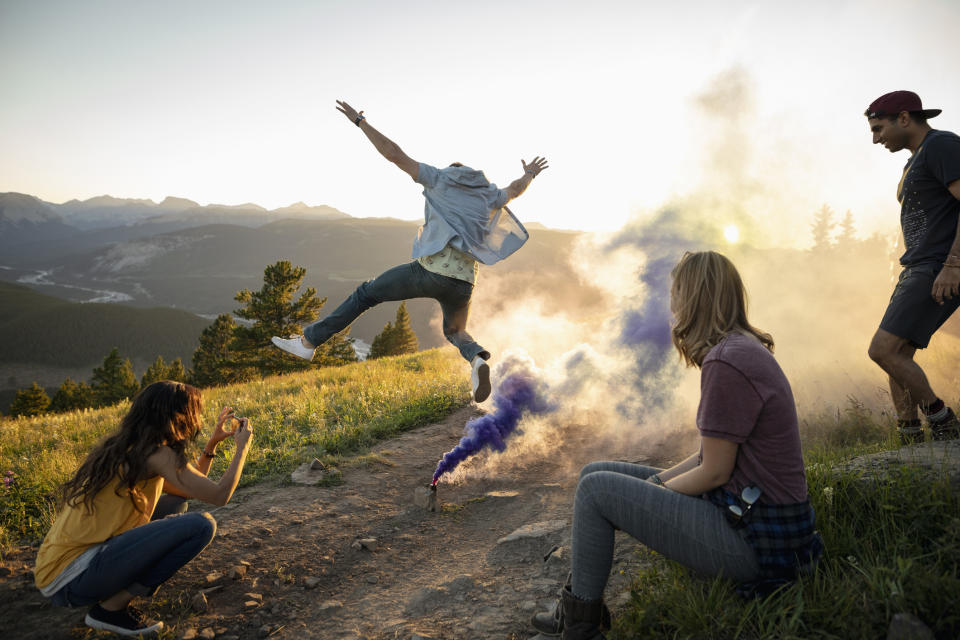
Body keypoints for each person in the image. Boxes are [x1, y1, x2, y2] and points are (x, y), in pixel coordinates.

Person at [530, 251, 822, 640]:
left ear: (695, 298)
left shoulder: (727, 362)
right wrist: (657, 484)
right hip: (761, 521)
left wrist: (657, 491)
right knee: (595, 473)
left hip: (756, 542)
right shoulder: (740, 348)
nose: (672, 304)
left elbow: (715, 471)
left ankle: (580, 629)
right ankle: (577, 609)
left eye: (677, 293)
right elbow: (709, 456)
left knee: (595, 490)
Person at [272, 99, 548, 403]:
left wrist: (360, 121)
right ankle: (478, 361)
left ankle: (308, 342)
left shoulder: (439, 179)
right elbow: (515, 189)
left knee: (366, 294)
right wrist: (530, 174)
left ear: (451, 172)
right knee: (456, 333)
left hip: (430, 271)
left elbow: (393, 154)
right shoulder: (489, 195)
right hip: (465, 281)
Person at [34, 381, 254, 637]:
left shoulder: (129, 446)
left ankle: (112, 590)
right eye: (196, 412)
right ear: (179, 416)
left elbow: (186, 489)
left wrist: (211, 445)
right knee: (201, 526)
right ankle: (110, 610)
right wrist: (243, 447)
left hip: (54, 571)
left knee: (175, 503)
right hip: (73, 581)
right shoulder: (156, 453)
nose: (198, 419)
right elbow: (219, 495)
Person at [864, 90, 960, 443]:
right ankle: (910, 435)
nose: (876, 139)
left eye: (879, 128)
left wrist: (954, 264)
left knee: (882, 350)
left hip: (937, 266)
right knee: (898, 353)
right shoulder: (914, 160)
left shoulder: (941, 145)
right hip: (918, 267)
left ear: (904, 118)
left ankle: (943, 421)